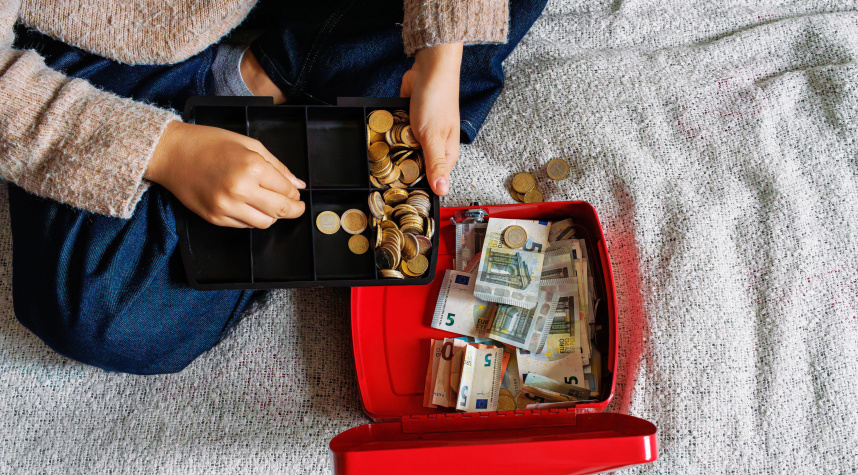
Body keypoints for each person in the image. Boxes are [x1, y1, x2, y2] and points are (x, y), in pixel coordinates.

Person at [0, 0, 547, 374]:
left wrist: (441, 51)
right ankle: (280, 89)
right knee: (101, 312)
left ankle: (269, 78)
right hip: (101, 43)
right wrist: (164, 151)